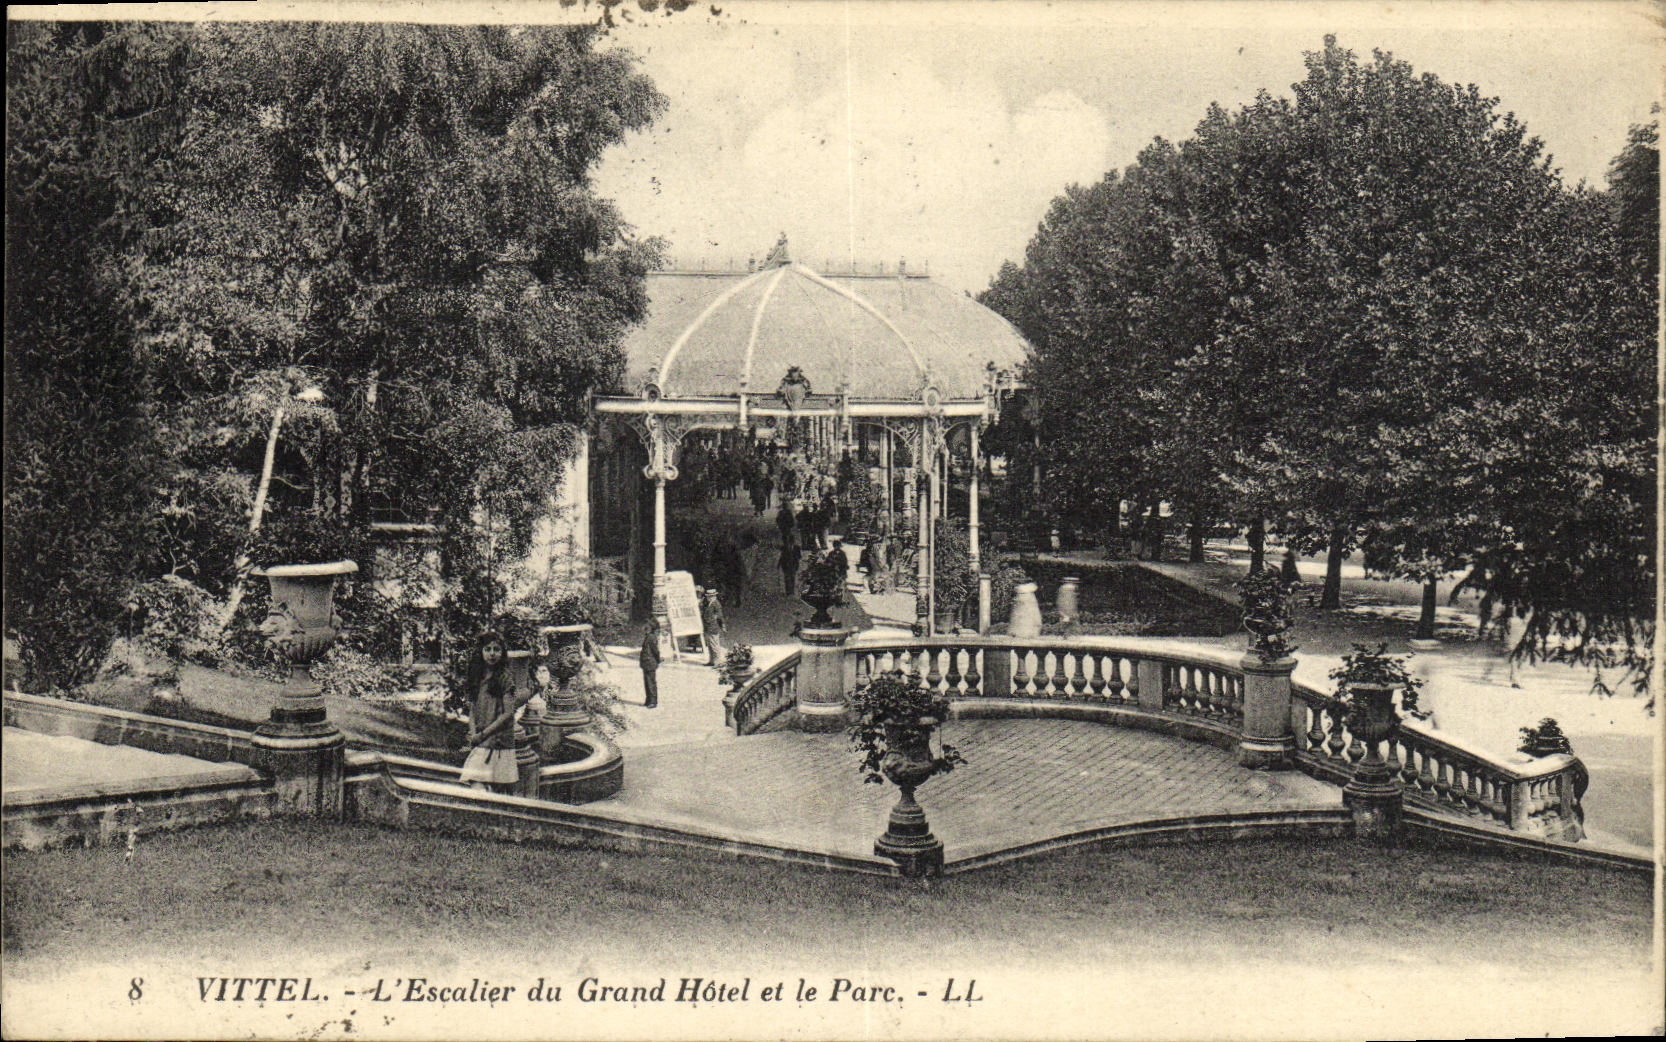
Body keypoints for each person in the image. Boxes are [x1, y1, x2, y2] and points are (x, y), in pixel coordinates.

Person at [459, 630, 527, 793]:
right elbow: (472, 709)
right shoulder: (477, 677)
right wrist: (474, 733)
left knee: (485, 785)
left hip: (498, 740)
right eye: (487, 649)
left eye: (496, 649)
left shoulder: (505, 678)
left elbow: (507, 713)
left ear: (502, 653)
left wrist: (483, 735)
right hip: (482, 739)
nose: (492, 654)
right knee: (477, 783)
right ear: (481, 652)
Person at [699, 586, 726, 667]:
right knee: (710, 646)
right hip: (708, 627)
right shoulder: (709, 604)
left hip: (713, 627)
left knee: (715, 645)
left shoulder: (716, 604)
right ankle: (711, 661)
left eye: (709, 597)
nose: (707, 598)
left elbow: (720, 616)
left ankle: (718, 662)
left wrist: (723, 625)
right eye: (707, 597)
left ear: (713, 596)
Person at [639, 617, 661, 708]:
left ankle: (653, 701)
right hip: (646, 663)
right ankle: (648, 700)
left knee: (651, 682)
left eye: (646, 626)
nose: (644, 628)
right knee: (647, 682)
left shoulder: (651, 637)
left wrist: (658, 660)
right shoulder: (649, 636)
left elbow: (655, 651)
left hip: (650, 662)